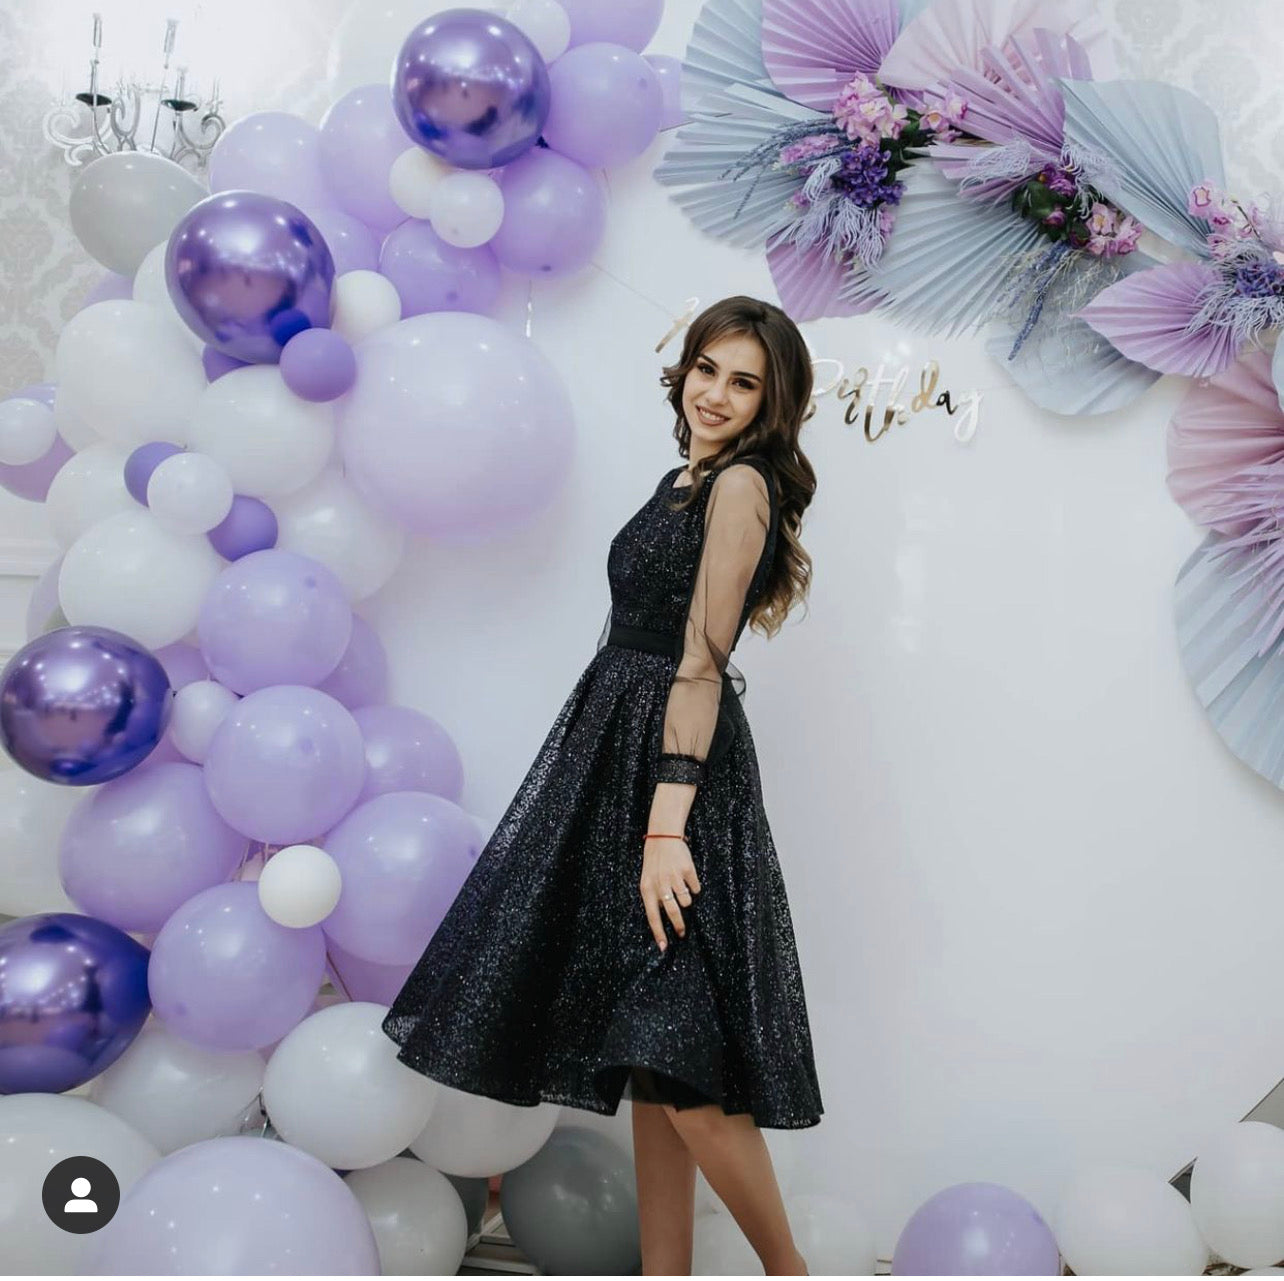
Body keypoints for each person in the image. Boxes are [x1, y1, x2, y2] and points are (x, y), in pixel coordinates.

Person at [382, 295, 823, 1275]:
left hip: (677, 779)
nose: (716, 394)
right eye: (706, 369)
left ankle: (790, 1272)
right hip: (614, 756)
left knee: (683, 1057)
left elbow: (700, 665)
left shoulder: (741, 486)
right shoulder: (684, 479)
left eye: (743, 383)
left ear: (771, 402)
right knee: (654, 1064)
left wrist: (666, 827)